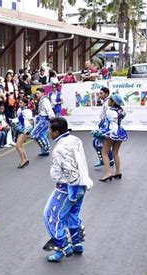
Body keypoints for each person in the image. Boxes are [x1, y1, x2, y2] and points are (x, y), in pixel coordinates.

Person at [43, 117, 93, 262]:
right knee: (73, 215)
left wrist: (71, 189)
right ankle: (77, 244)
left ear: (56, 131)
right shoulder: (75, 139)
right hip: (81, 184)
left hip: (68, 187)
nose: (48, 132)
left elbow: (69, 172)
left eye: (50, 130)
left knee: (51, 217)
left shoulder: (60, 148)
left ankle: (63, 247)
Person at [95, 93, 128, 182]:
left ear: (113, 102)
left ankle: (108, 173)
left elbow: (106, 123)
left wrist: (100, 132)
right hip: (120, 131)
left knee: (104, 153)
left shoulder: (110, 112)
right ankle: (117, 172)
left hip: (111, 132)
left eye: (110, 100)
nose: (108, 101)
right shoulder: (122, 111)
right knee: (115, 153)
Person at [91, 87, 114, 168]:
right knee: (101, 143)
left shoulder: (108, 102)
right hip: (104, 124)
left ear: (106, 94)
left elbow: (108, 116)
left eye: (101, 93)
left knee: (97, 143)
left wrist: (104, 127)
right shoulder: (106, 101)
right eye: (99, 93)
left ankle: (106, 160)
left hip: (106, 126)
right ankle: (109, 160)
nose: (99, 95)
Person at [30, 88, 55, 156]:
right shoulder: (42, 100)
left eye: (38, 93)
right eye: (36, 93)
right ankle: (46, 150)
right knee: (42, 135)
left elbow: (49, 110)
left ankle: (46, 149)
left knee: (34, 134)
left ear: (43, 93)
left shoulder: (45, 100)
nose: (37, 95)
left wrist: (52, 119)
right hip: (43, 119)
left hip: (44, 119)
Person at [15, 98, 33, 168]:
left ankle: (23, 161)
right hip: (21, 128)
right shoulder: (19, 110)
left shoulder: (27, 111)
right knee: (20, 145)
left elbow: (29, 121)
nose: (19, 104)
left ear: (25, 104)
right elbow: (19, 119)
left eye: (21, 103)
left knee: (17, 146)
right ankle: (26, 159)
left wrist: (26, 130)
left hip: (26, 129)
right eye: (19, 103)